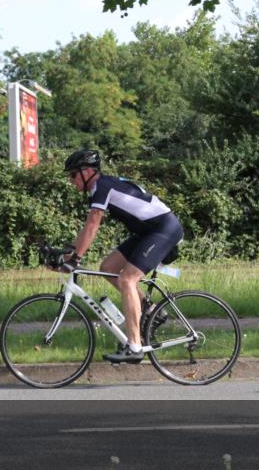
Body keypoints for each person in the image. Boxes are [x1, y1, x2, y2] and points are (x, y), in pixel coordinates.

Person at [61, 148, 184, 363]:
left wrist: (75, 258)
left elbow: (92, 227)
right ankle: (151, 310)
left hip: (163, 228)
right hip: (147, 232)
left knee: (127, 279)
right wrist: (69, 253)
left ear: (88, 171)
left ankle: (134, 346)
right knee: (108, 268)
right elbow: (87, 229)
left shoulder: (103, 187)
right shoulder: (101, 188)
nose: (71, 181)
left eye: (73, 175)